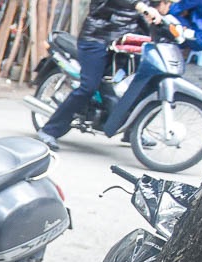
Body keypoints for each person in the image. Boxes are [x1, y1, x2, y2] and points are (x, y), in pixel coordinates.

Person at [36, 0, 166, 150]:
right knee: (88, 87)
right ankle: (49, 130)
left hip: (125, 42)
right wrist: (142, 7)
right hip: (97, 38)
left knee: (147, 81)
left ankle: (132, 130)